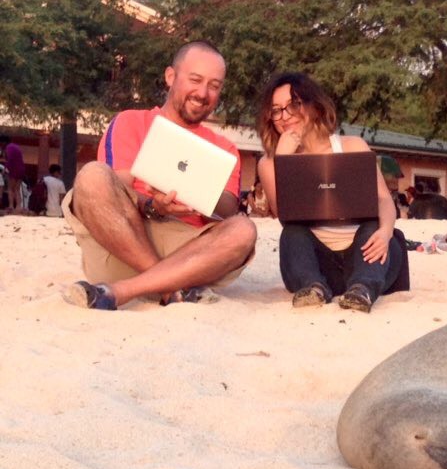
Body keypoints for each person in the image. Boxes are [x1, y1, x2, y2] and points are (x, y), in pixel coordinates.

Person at [61, 40, 257, 310]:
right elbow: (115, 189)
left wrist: (199, 194)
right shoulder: (130, 122)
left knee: (243, 229)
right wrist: (152, 205)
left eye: (214, 85)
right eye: (195, 79)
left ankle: (121, 292)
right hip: (125, 243)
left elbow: (227, 209)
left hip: (190, 255)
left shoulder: (225, 149)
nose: (203, 93)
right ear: (170, 77)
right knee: (92, 176)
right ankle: (168, 287)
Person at [256, 72, 407, 311]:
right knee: (292, 235)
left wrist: (386, 232)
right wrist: (283, 158)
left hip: (365, 255)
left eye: (293, 105)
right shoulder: (268, 163)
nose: (285, 116)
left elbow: (383, 200)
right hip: (317, 264)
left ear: (313, 105)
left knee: (373, 226)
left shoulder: (352, 146)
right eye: (277, 110)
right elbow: (284, 214)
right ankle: (313, 289)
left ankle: (362, 290)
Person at [1, 135, 26, 213]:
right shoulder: (15, 147)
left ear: (3, 142)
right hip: (21, 169)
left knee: (10, 188)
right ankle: (19, 206)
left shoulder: (9, 147)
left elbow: (10, 159)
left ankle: (11, 205)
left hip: (13, 169)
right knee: (17, 189)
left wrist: (5, 169)